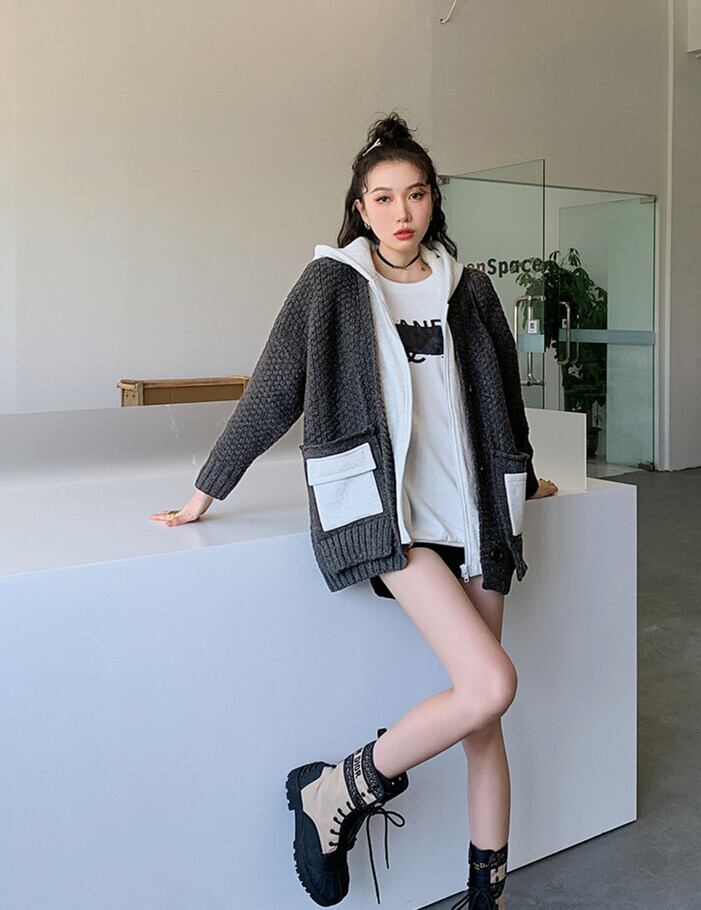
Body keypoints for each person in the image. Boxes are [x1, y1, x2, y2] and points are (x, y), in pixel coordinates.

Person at [151, 111, 558, 909]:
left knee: (484, 721)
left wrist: (528, 475)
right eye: (383, 198)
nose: (402, 212)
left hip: (477, 515)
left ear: (434, 199)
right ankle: (337, 790)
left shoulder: (470, 289)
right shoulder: (332, 286)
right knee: (491, 683)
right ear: (361, 207)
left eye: (416, 194)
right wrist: (207, 489)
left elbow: (503, 399)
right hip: (390, 519)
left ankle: (487, 897)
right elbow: (274, 391)